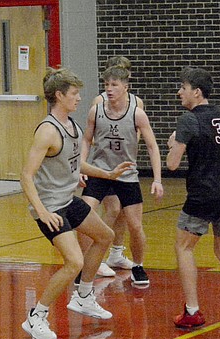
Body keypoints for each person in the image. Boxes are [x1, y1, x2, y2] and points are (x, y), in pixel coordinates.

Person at [20, 67, 133, 339]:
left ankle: (83, 295)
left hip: (68, 200)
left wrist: (106, 174)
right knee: (73, 261)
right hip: (50, 208)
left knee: (105, 235)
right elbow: (25, 176)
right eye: (74, 93)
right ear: (59, 96)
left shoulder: (72, 125)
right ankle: (36, 316)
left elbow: (74, 162)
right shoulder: (47, 131)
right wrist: (43, 211)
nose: (79, 98)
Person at [166, 67, 220, 330]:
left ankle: (192, 311)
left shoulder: (188, 120)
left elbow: (172, 164)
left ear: (196, 91)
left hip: (204, 193)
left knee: (184, 247)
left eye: (183, 87)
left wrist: (173, 143)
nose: (179, 92)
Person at [79, 65, 163, 289]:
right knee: (84, 216)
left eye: (114, 84)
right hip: (99, 171)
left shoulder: (137, 113)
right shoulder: (96, 111)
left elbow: (153, 147)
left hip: (126, 174)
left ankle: (138, 265)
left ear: (126, 87)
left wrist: (157, 179)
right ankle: (87, 265)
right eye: (106, 84)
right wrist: (81, 167)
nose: (109, 89)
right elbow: (86, 140)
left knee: (135, 225)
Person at [91, 55, 145, 274]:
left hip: (126, 167)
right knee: (112, 208)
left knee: (124, 211)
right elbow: (93, 135)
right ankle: (98, 256)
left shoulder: (136, 102)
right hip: (105, 166)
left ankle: (116, 253)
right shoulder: (99, 102)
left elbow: (139, 133)